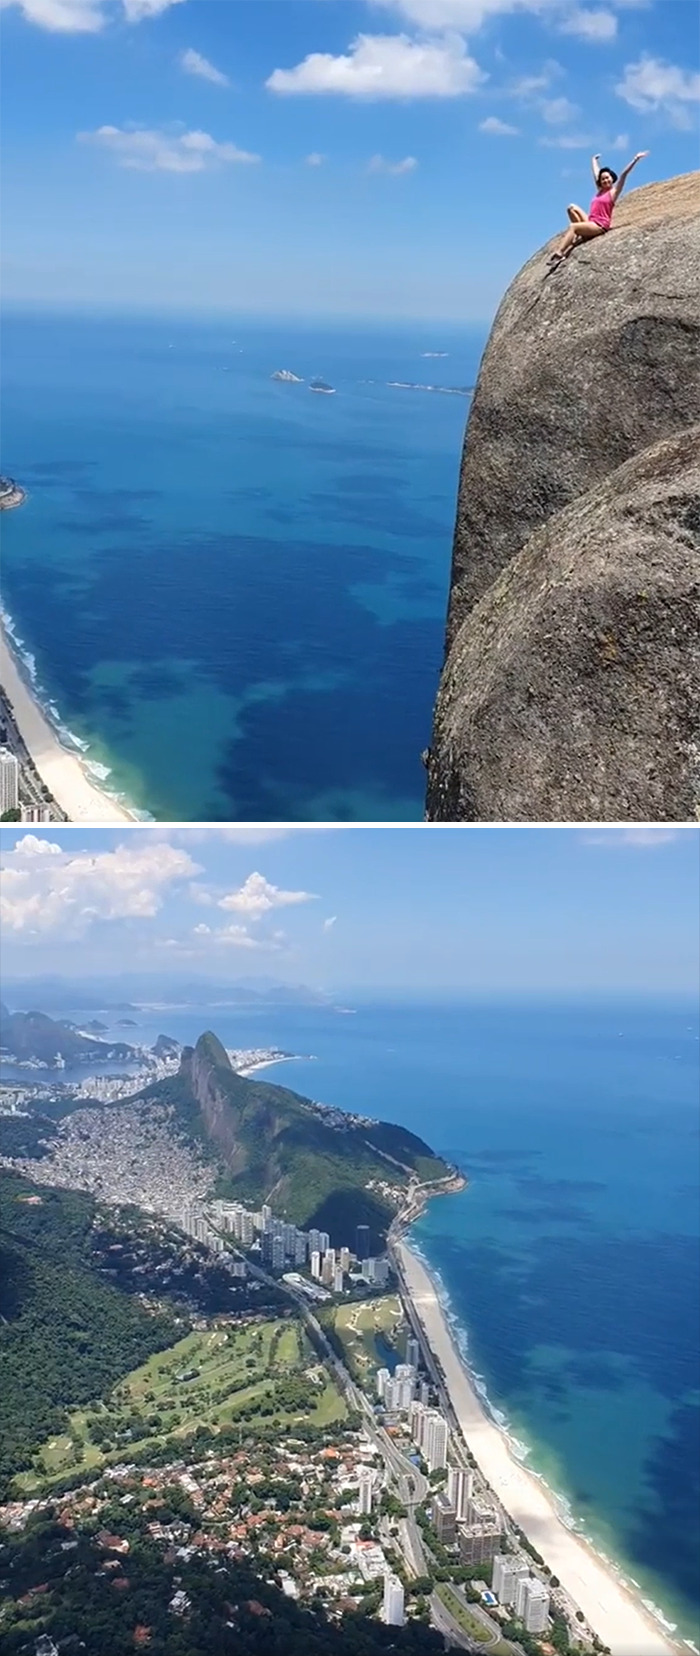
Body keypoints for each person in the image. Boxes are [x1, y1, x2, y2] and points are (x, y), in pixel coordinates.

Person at [547, 151, 649, 269]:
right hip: (591, 221)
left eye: (607, 178)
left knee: (573, 226)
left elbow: (624, 174)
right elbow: (595, 173)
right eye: (603, 179)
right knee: (571, 208)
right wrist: (594, 160)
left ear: (612, 178)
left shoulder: (613, 192)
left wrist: (635, 159)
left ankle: (559, 254)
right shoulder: (600, 190)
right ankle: (579, 235)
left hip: (600, 226)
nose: (605, 180)